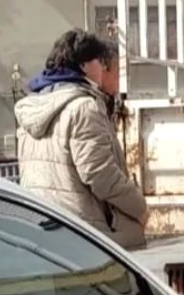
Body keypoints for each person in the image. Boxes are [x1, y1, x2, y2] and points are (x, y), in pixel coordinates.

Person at [15, 28, 149, 251]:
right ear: (85, 65)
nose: (103, 68)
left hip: (43, 229)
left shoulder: (32, 107)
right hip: (84, 234)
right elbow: (100, 175)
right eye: (99, 61)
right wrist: (139, 207)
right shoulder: (83, 108)